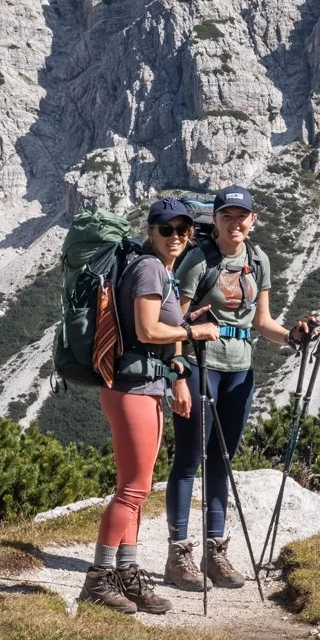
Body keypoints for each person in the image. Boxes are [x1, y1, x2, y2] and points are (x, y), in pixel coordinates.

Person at [164, 185, 316, 591]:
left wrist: (292, 338)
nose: (235, 223)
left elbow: (262, 321)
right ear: (214, 220)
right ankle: (178, 554)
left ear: (253, 220)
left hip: (240, 370)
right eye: (226, 216)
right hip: (200, 365)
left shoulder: (258, 259)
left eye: (241, 216)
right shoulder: (197, 261)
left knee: (223, 460)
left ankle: (215, 552)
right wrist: (177, 375)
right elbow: (175, 324)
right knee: (189, 457)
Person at [79, 197, 205, 614]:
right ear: (151, 231)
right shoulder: (150, 268)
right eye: (166, 229)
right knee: (131, 489)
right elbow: (149, 328)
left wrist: (177, 369)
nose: (175, 237)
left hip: (145, 386)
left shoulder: (161, 271)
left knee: (139, 487)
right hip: (131, 389)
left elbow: (156, 335)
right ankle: (98, 579)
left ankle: (129, 574)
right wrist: (194, 329)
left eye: (183, 230)